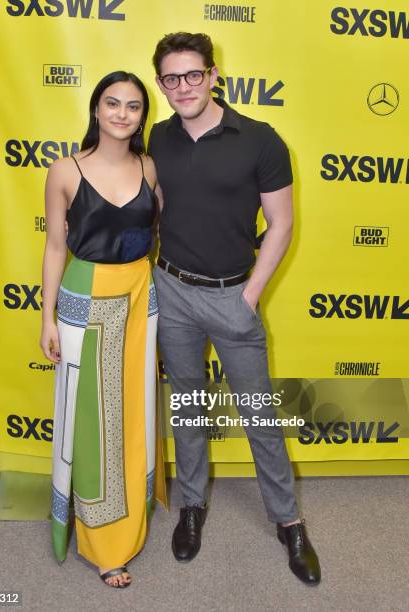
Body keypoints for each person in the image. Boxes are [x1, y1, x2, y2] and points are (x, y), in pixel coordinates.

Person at [148, 32, 321, 585]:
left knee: (260, 417)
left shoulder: (261, 139)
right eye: (171, 78)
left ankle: (288, 520)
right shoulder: (156, 138)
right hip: (171, 291)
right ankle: (192, 505)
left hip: (232, 295)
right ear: (161, 84)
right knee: (190, 408)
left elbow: (283, 224)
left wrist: (250, 295)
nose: (183, 87)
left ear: (214, 74)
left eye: (193, 74)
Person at [40, 71, 166, 588]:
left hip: (140, 297)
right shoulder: (64, 170)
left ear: (142, 116)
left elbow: (156, 232)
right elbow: (53, 246)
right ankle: (102, 542)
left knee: (135, 412)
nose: (121, 113)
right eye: (111, 103)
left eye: (133, 106)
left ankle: (134, 518)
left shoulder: (149, 166)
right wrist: (45, 316)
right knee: (92, 422)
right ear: (95, 109)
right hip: (85, 300)